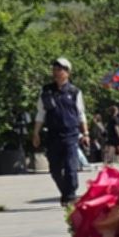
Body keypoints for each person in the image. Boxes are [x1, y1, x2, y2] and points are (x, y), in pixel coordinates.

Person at [32, 57, 89, 207]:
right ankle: (66, 193)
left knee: (71, 167)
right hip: (53, 134)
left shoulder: (75, 91)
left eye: (60, 70)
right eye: (55, 70)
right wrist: (36, 133)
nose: (57, 73)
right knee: (55, 170)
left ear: (67, 73)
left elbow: (81, 114)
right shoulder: (46, 91)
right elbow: (40, 113)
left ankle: (70, 196)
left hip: (70, 133)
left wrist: (86, 134)